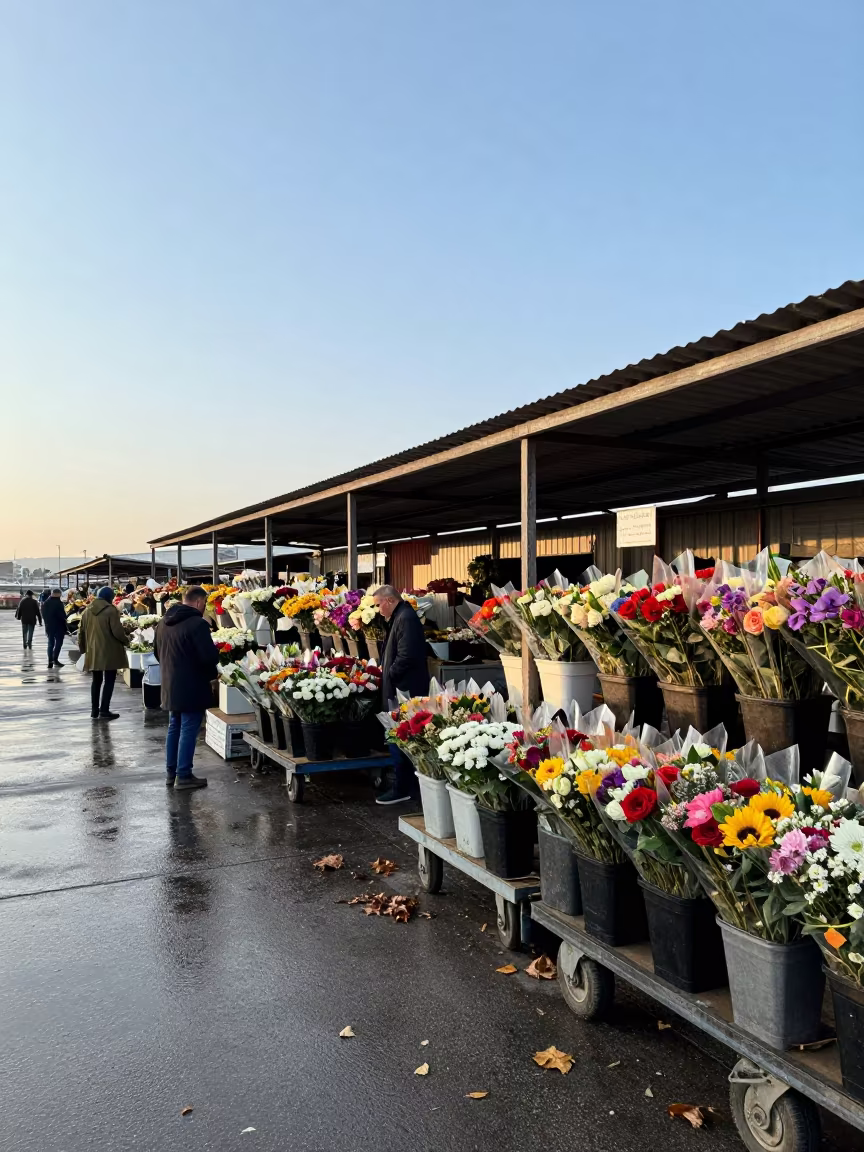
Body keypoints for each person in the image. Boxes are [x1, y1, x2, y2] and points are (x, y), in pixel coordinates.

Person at [154, 586, 217, 790]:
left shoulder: (163, 623)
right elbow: (209, 657)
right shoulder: (197, 624)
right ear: (199, 602)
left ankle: (171, 773)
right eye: (205, 604)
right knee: (189, 728)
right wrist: (211, 675)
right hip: (192, 684)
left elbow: (156, 652)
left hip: (170, 683)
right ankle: (184, 775)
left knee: (175, 727)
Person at [373, 584, 429, 805]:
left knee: (400, 738)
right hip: (399, 687)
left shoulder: (405, 618)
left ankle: (402, 787)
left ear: (389, 601)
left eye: (379, 605)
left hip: (404, 689)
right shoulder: (401, 616)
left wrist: (391, 674)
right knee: (399, 737)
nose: (378, 611)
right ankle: (404, 784)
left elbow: (407, 656)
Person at [78, 586, 130, 720]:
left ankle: (94, 710)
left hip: (93, 652)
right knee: (109, 680)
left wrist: (83, 650)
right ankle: (104, 710)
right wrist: (127, 641)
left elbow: (81, 633)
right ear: (109, 597)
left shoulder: (86, 611)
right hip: (110, 651)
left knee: (96, 681)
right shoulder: (111, 611)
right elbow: (117, 632)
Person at [42, 588, 69, 668]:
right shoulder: (58, 603)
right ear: (58, 594)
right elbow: (62, 615)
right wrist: (65, 618)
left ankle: (50, 661)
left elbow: (43, 615)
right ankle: (55, 659)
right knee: (58, 643)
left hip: (49, 626)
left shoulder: (45, 603)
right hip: (59, 626)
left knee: (50, 644)